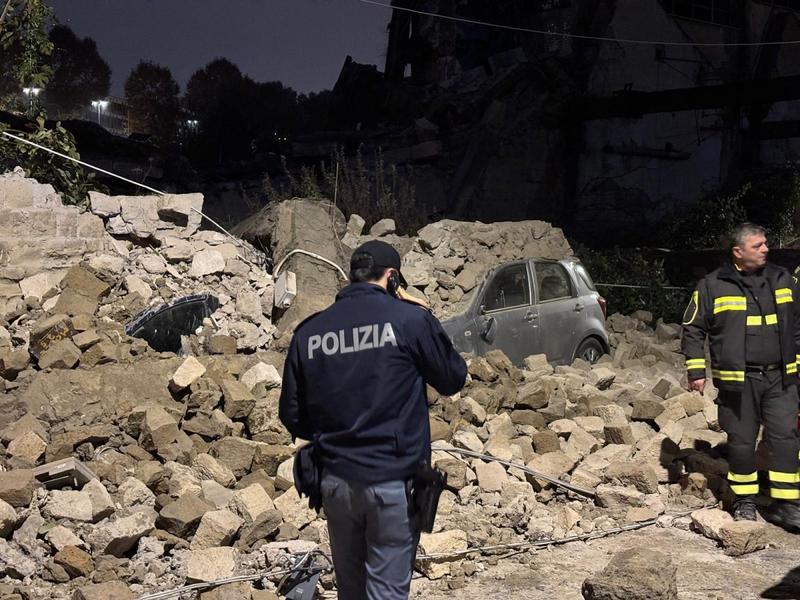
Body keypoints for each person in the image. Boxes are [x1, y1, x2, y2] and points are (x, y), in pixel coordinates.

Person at [279, 239, 468, 599]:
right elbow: (452, 378)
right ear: (393, 277)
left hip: (335, 483)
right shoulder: (410, 320)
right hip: (392, 483)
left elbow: (292, 416)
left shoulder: (309, 332)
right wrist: (425, 314)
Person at [681, 223, 800, 531]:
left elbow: (797, 325)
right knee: (743, 442)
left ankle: (786, 505)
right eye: (758, 245)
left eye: (765, 244)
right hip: (738, 382)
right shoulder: (712, 285)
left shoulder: (783, 279)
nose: (766, 249)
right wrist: (696, 371)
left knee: (785, 438)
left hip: (781, 379)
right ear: (738, 251)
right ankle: (744, 501)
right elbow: (693, 329)